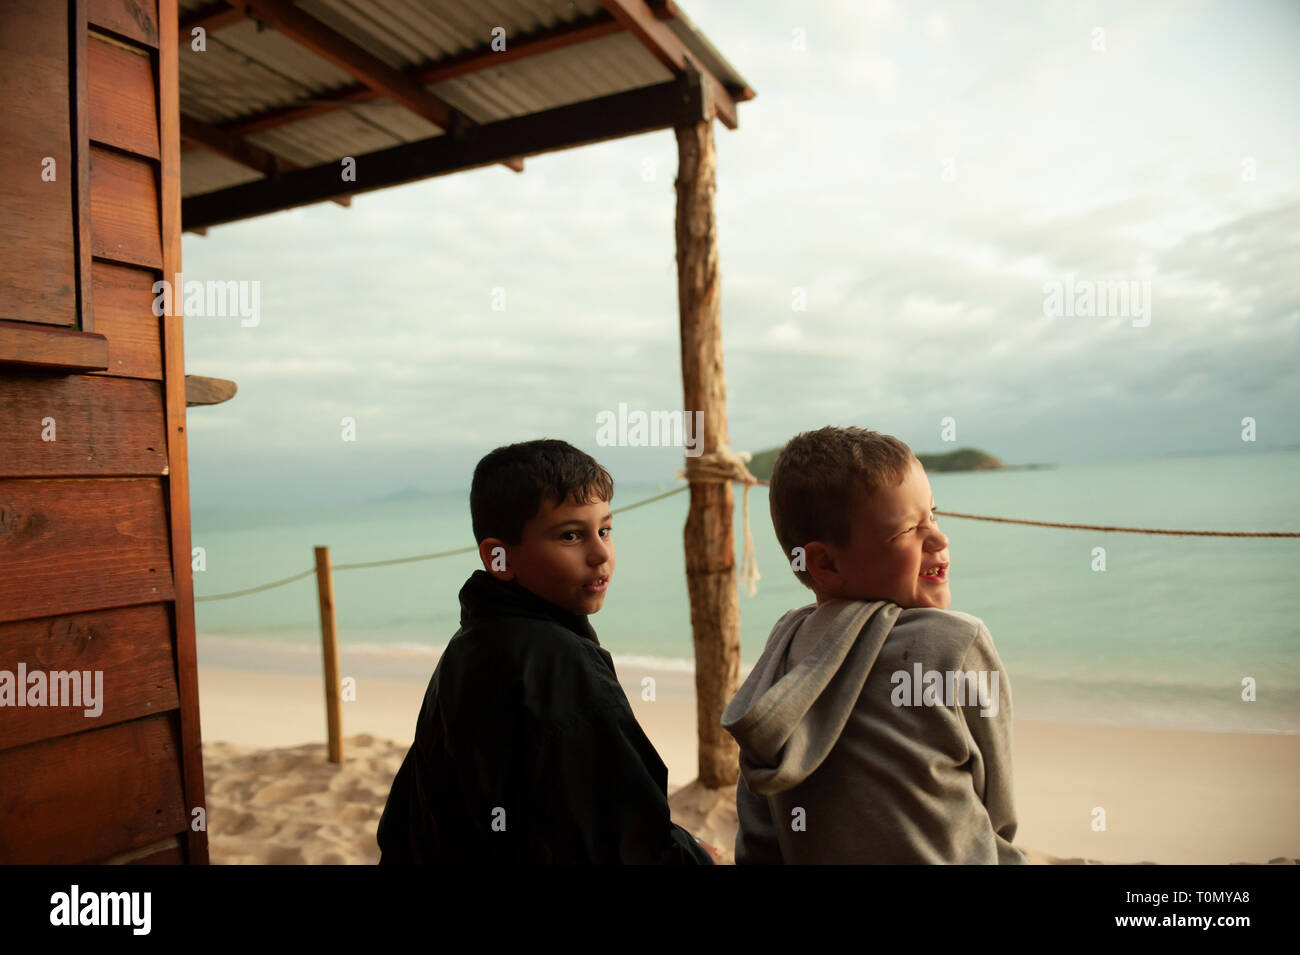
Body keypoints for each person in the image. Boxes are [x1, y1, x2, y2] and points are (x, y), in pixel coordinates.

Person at [377, 438, 714, 864]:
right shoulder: (560, 665)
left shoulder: (469, 646)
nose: (600, 554)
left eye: (605, 530)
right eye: (571, 535)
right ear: (498, 557)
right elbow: (630, 841)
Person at [722, 426, 1027, 864]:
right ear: (825, 562)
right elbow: (998, 814)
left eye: (933, 516)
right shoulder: (955, 643)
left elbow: (759, 830)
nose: (939, 539)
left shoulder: (784, 647)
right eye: (907, 531)